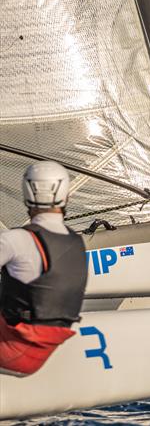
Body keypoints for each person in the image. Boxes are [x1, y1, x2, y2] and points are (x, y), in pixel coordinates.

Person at [0, 161, 88, 377]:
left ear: (25, 193)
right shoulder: (76, 242)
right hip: (43, 348)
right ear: (66, 196)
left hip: (13, 348)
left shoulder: (14, 240)